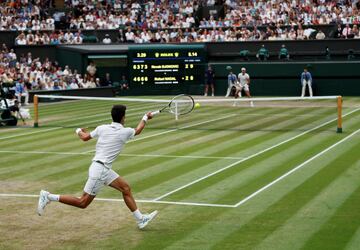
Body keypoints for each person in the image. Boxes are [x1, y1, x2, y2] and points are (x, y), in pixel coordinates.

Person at [37, 105, 158, 229]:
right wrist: (145, 117)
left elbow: (84, 137)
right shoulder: (125, 131)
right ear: (123, 117)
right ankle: (48, 196)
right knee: (82, 202)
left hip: (101, 168)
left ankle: (140, 219)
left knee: (125, 188)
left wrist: (78, 130)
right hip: (100, 171)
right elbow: (138, 130)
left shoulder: (102, 128)